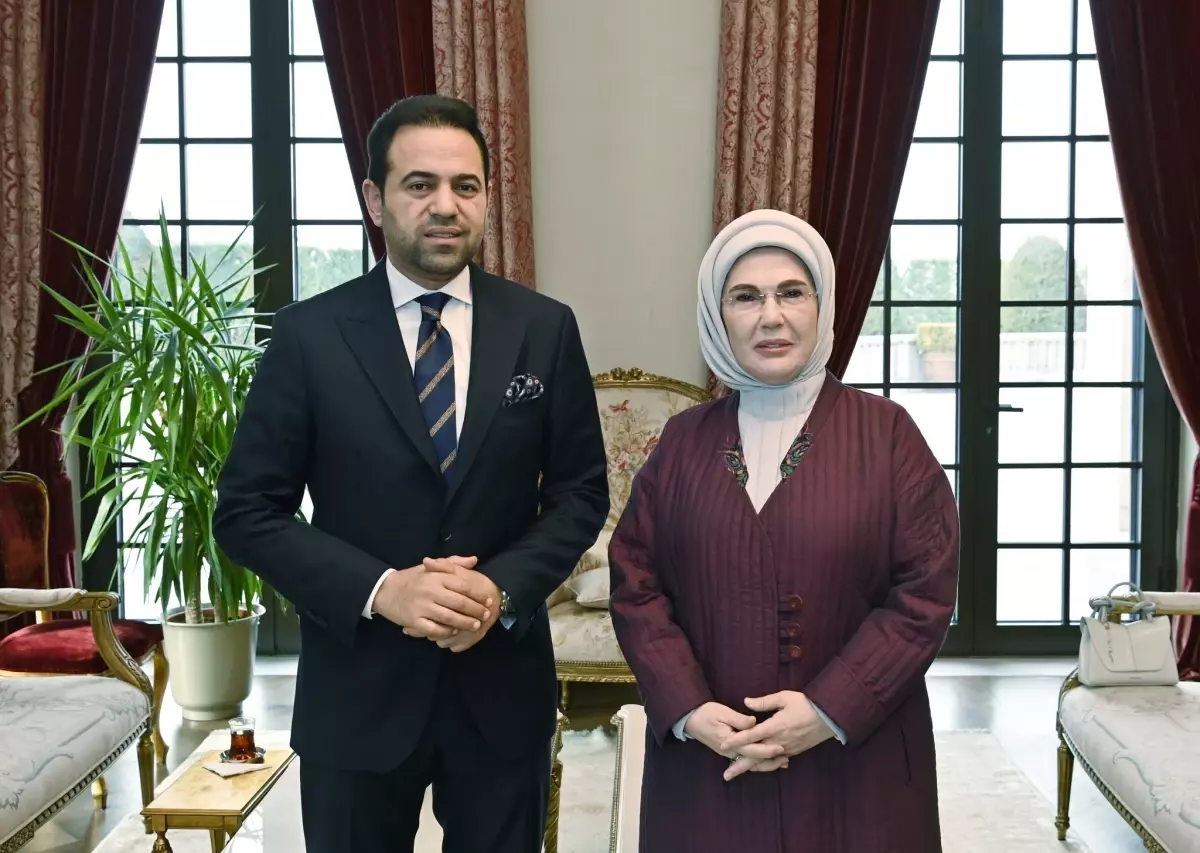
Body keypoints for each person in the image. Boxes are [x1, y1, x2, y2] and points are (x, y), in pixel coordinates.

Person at [212, 94, 609, 853]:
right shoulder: (308, 336)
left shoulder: (544, 327)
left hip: (501, 692)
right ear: (375, 199)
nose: (445, 206)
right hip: (357, 693)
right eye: (419, 184)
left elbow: (580, 492)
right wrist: (382, 589)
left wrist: (499, 590)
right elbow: (247, 512)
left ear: (486, 198)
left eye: (466, 185)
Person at [608, 209, 959, 851]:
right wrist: (688, 708)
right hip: (712, 758)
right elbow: (636, 584)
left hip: (856, 759)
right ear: (718, 317)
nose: (771, 316)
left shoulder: (888, 435)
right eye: (745, 297)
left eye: (791, 292)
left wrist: (829, 709)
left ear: (821, 307)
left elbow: (924, 594)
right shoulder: (682, 441)